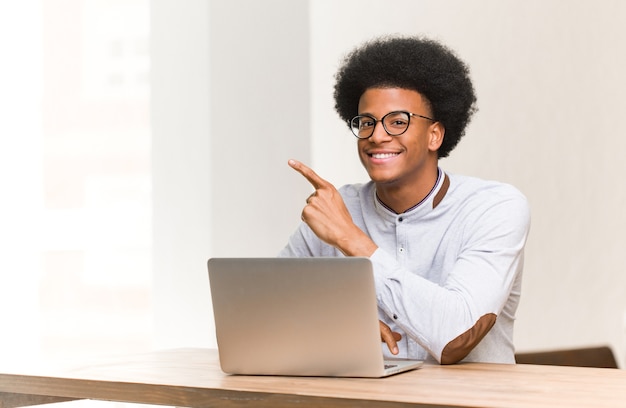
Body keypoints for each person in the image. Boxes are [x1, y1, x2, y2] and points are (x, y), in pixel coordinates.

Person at [279, 35, 531, 364]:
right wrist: (335, 324)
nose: (377, 135)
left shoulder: (494, 208)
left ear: (435, 135)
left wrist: (352, 239)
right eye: (366, 122)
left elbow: (456, 338)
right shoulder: (335, 208)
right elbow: (265, 313)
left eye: (398, 122)